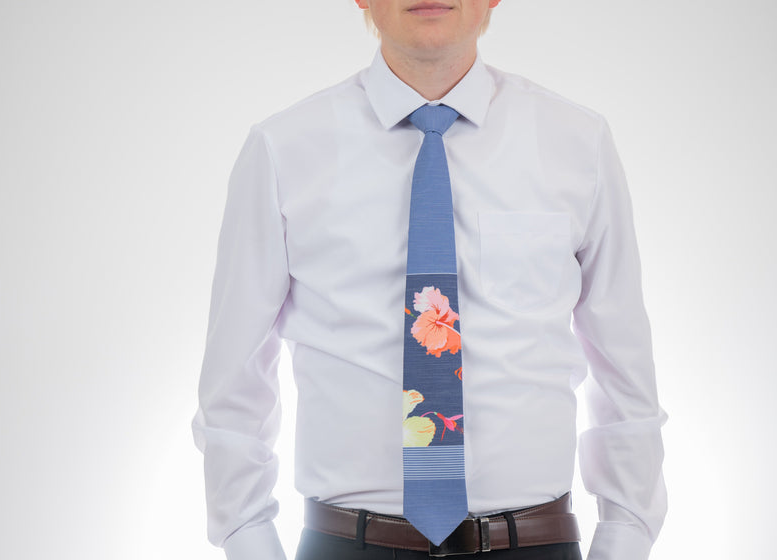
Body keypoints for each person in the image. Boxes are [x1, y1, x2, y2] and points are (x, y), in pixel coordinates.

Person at [192, 1, 667, 559]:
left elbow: (624, 365)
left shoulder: (577, 142)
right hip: (347, 545)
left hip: (535, 542)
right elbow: (234, 379)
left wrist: (624, 538)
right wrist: (250, 541)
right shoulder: (283, 149)